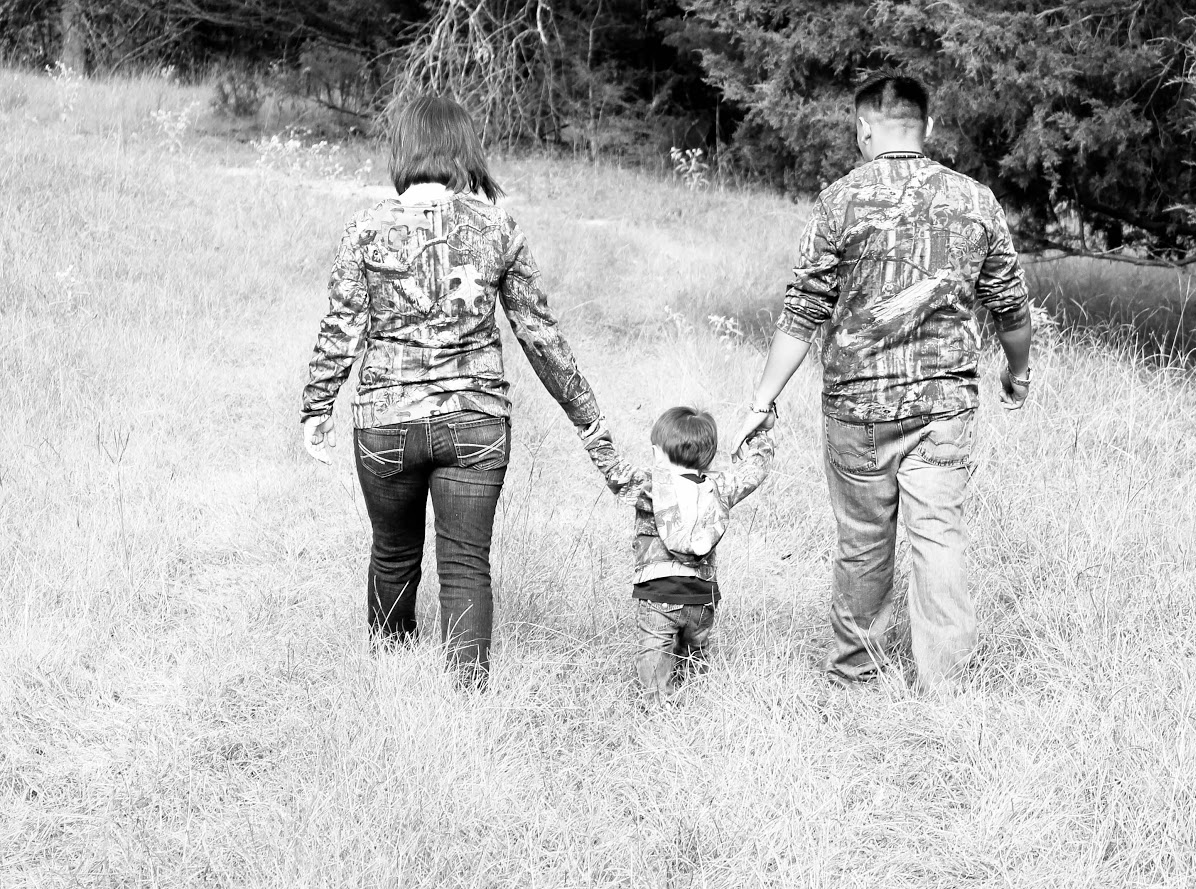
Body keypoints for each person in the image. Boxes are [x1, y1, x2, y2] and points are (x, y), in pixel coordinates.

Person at [300, 91, 627, 679]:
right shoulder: (497, 226)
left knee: (393, 554)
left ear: (403, 149)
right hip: (477, 424)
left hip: (386, 423)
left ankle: (390, 676)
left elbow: (341, 327)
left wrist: (317, 407)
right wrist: (590, 421)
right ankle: (467, 698)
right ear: (463, 149)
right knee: (466, 566)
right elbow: (541, 337)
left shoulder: (365, 229)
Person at [732, 73, 1032, 693]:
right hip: (944, 408)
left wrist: (762, 400)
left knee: (864, 540)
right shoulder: (976, 201)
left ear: (864, 129)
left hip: (857, 411)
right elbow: (1011, 306)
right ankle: (946, 685)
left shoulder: (838, 201)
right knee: (938, 536)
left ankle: (854, 672)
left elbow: (803, 310)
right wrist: (1018, 372)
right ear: (928, 127)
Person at [620, 406, 775, 699]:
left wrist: (591, 431)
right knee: (694, 656)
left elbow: (612, 470)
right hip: (703, 597)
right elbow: (755, 469)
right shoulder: (720, 487)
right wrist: (762, 434)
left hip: (658, 594)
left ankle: (659, 708)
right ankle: (697, 697)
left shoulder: (650, 486)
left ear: (657, 453)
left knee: (654, 660)